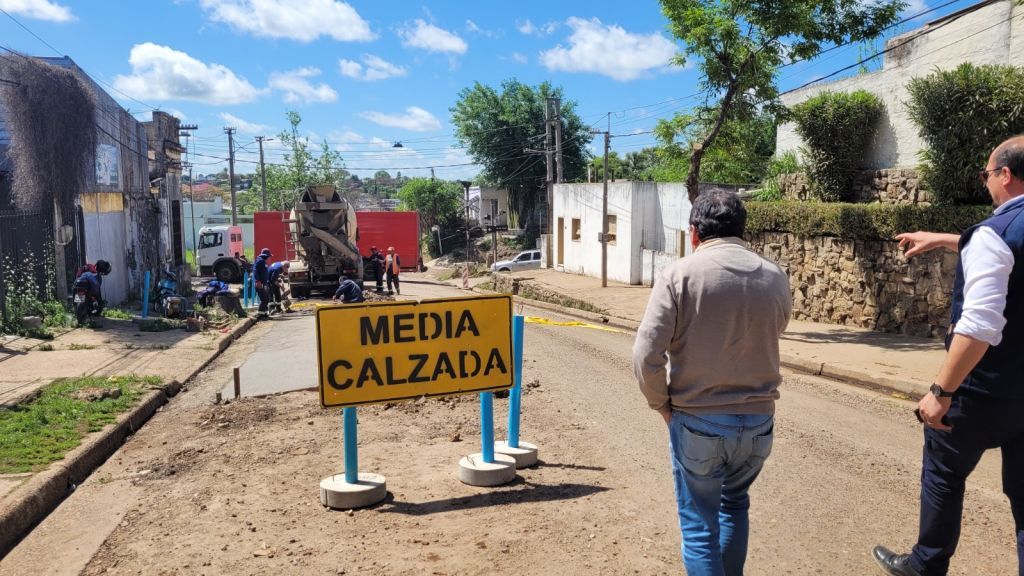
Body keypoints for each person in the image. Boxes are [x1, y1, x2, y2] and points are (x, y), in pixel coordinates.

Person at [874, 135, 1024, 576]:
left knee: (943, 471)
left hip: (982, 391)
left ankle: (926, 564)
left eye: (986, 174)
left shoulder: (994, 236)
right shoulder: (991, 237)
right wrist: (947, 239)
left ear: (1005, 175)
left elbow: (978, 326)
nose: (985, 183)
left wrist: (942, 391)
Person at [632, 191, 791, 576]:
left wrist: (663, 406)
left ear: (693, 233)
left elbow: (645, 356)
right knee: (734, 504)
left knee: (700, 527)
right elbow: (778, 328)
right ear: (741, 229)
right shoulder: (774, 275)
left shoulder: (679, 275)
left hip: (699, 422)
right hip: (758, 425)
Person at [253, 248, 271, 319]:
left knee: (266, 298)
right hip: (260, 284)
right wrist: (257, 281)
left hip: (263, 283)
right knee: (264, 299)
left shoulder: (262, 261)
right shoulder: (260, 261)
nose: (269, 257)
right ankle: (260, 314)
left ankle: (264, 313)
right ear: (266, 256)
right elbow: (255, 271)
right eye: (268, 256)